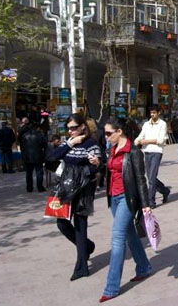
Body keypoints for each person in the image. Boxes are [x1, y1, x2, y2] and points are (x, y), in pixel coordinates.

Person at [100, 117, 153, 303]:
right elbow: (111, 170)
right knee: (130, 234)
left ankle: (112, 287)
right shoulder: (111, 149)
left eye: (108, 133)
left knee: (117, 239)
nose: (106, 137)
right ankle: (144, 267)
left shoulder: (134, 151)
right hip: (113, 198)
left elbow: (140, 179)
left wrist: (146, 204)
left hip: (127, 199)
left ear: (119, 131)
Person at [50, 114, 101, 281]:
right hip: (64, 189)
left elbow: (97, 166)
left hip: (83, 189)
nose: (70, 130)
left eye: (73, 127)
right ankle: (87, 246)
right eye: (69, 128)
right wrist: (71, 143)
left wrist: (93, 165)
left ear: (82, 127)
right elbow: (51, 157)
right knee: (62, 223)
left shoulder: (91, 143)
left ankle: (81, 266)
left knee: (80, 225)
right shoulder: (68, 142)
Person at [134, 105, 171, 209]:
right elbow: (141, 135)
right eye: (151, 113)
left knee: (151, 178)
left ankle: (151, 201)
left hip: (157, 151)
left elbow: (160, 140)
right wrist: (135, 142)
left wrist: (146, 141)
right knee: (150, 177)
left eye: (154, 113)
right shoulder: (146, 124)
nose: (152, 114)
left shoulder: (162, 124)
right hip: (147, 151)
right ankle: (165, 190)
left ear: (159, 113)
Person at [18, 123, 48, 192]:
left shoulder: (24, 135)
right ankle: (40, 187)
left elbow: (22, 146)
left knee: (29, 173)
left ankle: (29, 188)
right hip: (38, 156)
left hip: (27, 156)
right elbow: (45, 145)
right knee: (39, 172)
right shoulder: (39, 135)